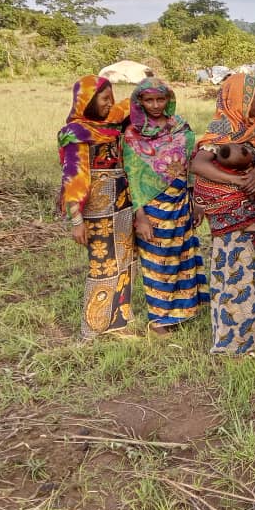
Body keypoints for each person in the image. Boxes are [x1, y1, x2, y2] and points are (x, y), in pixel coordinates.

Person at [191, 73, 255, 357]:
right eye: (253, 97)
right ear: (235, 98)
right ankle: (235, 342)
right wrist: (240, 183)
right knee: (234, 274)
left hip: (254, 213)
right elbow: (199, 164)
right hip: (229, 217)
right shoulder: (222, 126)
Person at [122, 78, 208, 334]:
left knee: (182, 255)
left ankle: (183, 311)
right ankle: (159, 318)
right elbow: (133, 178)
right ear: (140, 102)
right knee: (158, 260)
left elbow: (192, 165)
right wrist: (141, 217)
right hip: (152, 206)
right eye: (149, 100)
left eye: (161, 99)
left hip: (181, 200)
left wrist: (197, 201)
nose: (156, 105)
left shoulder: (180, 127)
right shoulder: (132, 134)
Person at [57, 76, 135, 342]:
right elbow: (74, 176)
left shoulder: (111, 123)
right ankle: (93, 328)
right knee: (103, 265)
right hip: (97, 207)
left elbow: (131, 105)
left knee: (124, 262)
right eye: (104, 99)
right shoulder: (76, 133)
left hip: (123, 203)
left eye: (111, 98)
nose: (109, 103)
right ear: (88, 101)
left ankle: (118, 321)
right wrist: (76, 219)